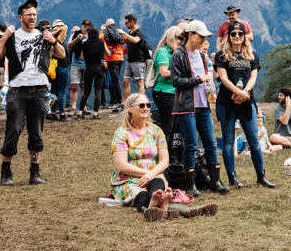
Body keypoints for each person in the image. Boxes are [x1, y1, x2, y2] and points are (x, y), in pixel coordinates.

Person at [0, 0, 66, 186]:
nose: (32, 17)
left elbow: (62, 55)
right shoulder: (12, 36)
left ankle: (35, 173)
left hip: (40, 90)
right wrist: (4, 37)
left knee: (36, 132)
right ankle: (6, 172)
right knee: (14, 129)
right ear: (20, 17)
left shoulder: (44, 35)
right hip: (17, 91)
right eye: (28, 14)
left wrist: (54, 41)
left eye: (34, 14)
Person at [111, 93, 217, 221]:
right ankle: (167, 207)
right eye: (141, 105)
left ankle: (154, 206)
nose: (146, 108)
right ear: (129, 108)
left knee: (158, 186)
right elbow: (122, 166)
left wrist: (151, 174)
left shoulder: (156, 131)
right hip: (128, 179)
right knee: (141, 194)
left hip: (154, 175)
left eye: (148, 105)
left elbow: (164, 160)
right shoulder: (121, 133)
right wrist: (147, 174)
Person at [171, 20, 229, 196]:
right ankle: (191, 185)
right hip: (186, 107)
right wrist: (198, 80)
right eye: (201, 36)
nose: (204, 40)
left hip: (204, 105)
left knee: (210, 144)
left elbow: (207, 79)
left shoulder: (203, 56)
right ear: (190, 35)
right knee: (190, 145)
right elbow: (176, 81)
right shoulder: (178, 55)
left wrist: (209, 88)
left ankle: (215, 182)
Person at [214, 21, 275, 188]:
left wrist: (245, 92)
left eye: (240, 34)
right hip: (227, 102)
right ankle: (232, 178)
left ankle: (261, 176)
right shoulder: (221, 55)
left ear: (244, 36)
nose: (237, 36)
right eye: (233, 34)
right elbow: (223, 78)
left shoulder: (252, 54)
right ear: (228, 36)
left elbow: (253, 77)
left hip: (246, 102)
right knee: (228, 141)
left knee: (254, 139)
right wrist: (237, 92)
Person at [150, 26, 183, 140]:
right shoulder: (163, 52)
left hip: (172, 92)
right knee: (167, 127)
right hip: (164, 92)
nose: (181, 41)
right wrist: (183, 72)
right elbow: (164, 73)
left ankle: (168, 150)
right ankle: (162, 149)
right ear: (171, 37)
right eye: (180, 38)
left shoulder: (175, 53)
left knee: (172, 126)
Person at [76, 26, 110, 120]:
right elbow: (108, 53)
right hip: (99, 68)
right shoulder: (101, 42)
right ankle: (95, 114)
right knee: (98, 91)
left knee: (86, 91)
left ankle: (80, 112)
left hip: (89, 68)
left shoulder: (85, 43)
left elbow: (82, 58)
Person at [66, 19, 91, 117]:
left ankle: (84, 107)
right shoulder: (76, 34)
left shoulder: (92, 35)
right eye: (84, 26)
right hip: (76, 63)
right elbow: (68, 45)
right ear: (81, 26)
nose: (86, 28)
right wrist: (77, 39)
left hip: (87, 64)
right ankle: (73, 107)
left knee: (85, 86)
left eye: (87, 26)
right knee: (74, 85)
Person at [120, 13, 147, 99]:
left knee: (140, 82)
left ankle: (141, 101)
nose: (125, 24)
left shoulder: (139, 33)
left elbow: (135, 40)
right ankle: (125, 102)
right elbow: (128, 46)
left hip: (138, 61)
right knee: (125, 81)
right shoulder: (130, 32)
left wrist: (124, 33)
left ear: (132, 22)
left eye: (126, 23)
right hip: (129, 61)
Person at [101, 18, 126, 111]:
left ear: (107, 25)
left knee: (115, 81)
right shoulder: (119, 32)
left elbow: (99, 38)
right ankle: (116, 101)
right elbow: (126, 39)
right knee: (116, 80)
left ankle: (118, 101)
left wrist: (102, 31)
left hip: (111, 59)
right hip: (120, 59)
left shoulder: (105, 33)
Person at [49, 20, 71, 121]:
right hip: (63, 68)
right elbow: (65, 27)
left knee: (54, 91)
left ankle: (53, 112)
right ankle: (62, 113)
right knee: (62, 91)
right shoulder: (58, 41)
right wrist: (59, 28)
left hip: (55, 69)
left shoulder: (51, 41)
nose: (65, 35)